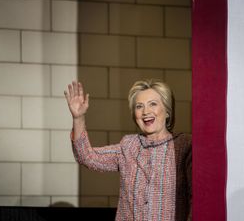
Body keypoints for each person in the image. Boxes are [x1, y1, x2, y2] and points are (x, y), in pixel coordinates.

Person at [64, 79, 191, 221]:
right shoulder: (129, 145)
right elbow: (86, 156)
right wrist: (78, 117)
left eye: (153, 104)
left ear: (167, 111)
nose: (145, 112)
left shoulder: (184, 146)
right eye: (139, 106)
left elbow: (198, 196)